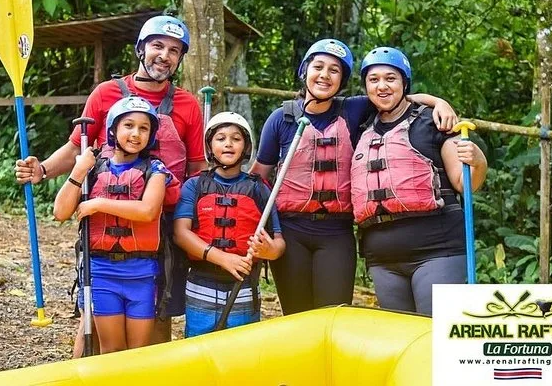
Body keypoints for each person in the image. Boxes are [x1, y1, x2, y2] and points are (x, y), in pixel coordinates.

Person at [15, 15, 206, 353]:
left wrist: (192, 220)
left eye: (174, 50)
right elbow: (77, 148)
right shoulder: (106, 94)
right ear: (141, 49)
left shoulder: (188, 104)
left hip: (164, 221)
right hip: (106, 222)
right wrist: (42, 170)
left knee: (158, 314)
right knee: (91, 320)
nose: (164, 55)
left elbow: (196, 168)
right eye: (158, 46)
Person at [250, 38, 458, 315]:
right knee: (296, 316)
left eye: (334, 70)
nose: (324, 75)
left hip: (336, 233)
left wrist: (439, 102)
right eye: (318, 67)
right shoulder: (281, 118)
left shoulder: (354, 110)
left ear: (342, 81)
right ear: (305, 71)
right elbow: (258, 179)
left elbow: (396, 96)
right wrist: (269, 233)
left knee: (333, 314)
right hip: (291, 231)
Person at [351, 46, 487, 316]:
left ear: (405, 83)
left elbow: (466, 185)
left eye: (391, 78)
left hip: (437, 250)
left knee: (433, 331)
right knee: (402, 336)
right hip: (382, 259)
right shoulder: (361, 125)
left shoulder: (432, 121)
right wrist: (437, 99)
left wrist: (479, 162)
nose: (382, 86)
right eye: (373, 79)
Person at [53, 96, 174, 353]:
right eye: (128, 125)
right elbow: (60, 212)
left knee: (138, 352)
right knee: (112, 351)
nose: (136, 133)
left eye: (144, 128)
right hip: (102, 272)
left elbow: (148, 211)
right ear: (113, 129)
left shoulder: (156, 169)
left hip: (142, 273)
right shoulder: (93, 169)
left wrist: (98, 204)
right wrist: (78, 171)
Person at [174, 112, 285, 337]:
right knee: (199, 348)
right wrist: (222, 258)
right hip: (201, 283)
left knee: (241, 348)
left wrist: (270, 251)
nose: (228, 144)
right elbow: (180, 233)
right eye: (221, 138)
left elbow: (279, 242)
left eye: (236, 138)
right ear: (210, 146)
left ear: (246, 147)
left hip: (243, 285)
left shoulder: (260, 189)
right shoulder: (195, 186)